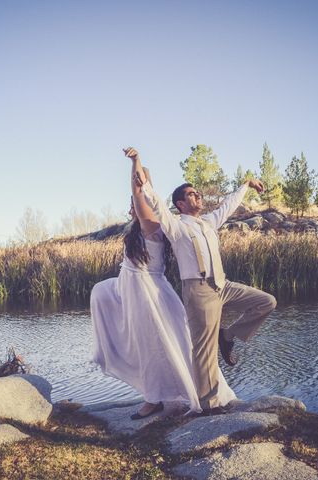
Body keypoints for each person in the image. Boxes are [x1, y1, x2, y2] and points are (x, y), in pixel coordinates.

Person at [90, 148, 236, 419]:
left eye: (136, 203)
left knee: (154, 344)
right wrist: (145, 174)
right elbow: (144, 188)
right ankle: (161, 390)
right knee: (102, 293)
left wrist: (136, 163)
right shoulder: (142, 226)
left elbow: (141, 190)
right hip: (134, 287)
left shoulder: (152, 224)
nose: (133, 206)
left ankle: (155, 398)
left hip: (145, 291)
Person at [137, 151, 277, 413]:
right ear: (180, 204)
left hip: (223, 285)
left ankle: (228, 334)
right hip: (198, 290)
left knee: (266, 301)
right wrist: (142, 181)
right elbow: (155, 203)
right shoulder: (176, 227)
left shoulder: (209, 222)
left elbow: (228, 206)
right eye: (191, 194)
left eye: (197, 193)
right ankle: (209, 405)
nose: (197, 196)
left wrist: (246, 184)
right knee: (203, 352)